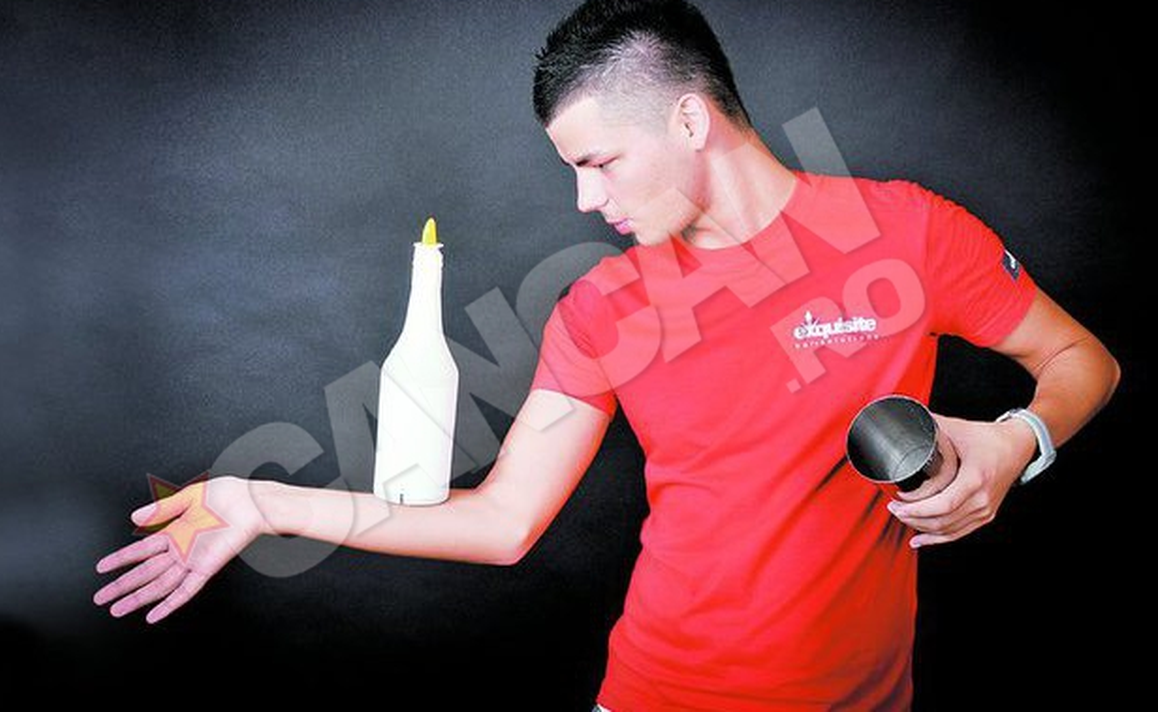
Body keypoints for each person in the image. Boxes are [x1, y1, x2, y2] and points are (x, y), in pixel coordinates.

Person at [94, 0, 1120, 709]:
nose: (586, 200)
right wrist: (266, 503)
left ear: (690, 119)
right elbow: (503, 523)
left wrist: (1017, 440)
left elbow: (1083, 359)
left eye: (599, 162)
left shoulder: (904, 232)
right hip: (654, 693)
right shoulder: (602, 307)